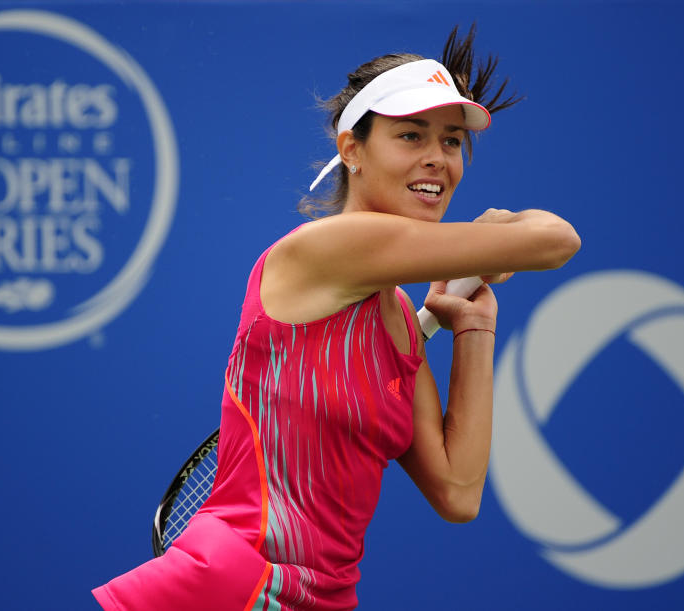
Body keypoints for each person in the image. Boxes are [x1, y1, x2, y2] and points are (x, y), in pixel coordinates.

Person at [93, 24, 580, 611]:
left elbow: (457, 491)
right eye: (410, 135)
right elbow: (556, 239)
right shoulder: (326, 248)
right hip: (229, 590)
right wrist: (498, 232)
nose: (436, 159)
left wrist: (473, 330)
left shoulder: (398, 314)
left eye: (452, 142)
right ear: (351, 148)